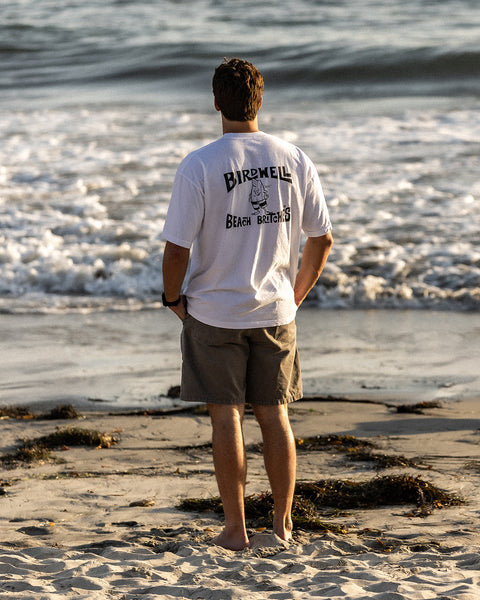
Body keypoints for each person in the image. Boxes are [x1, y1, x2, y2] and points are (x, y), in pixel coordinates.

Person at [162, 58, 333, 551]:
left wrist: (173, 298)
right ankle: (281, 526)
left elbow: (177, 249)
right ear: (260, 101)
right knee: (275, 416)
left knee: (226, 418)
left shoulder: (200, 163)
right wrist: (295, 295)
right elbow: (321, 240)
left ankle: (235, 531)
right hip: (276, 311)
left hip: (214, 311)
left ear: (216, 102)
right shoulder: (293, 157)